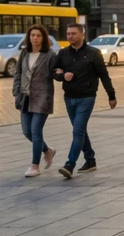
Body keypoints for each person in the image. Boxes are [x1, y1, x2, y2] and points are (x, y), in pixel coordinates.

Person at [52, 23, 116, 179]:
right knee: (79, 130)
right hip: (69, 97)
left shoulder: (93, 53)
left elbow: (103, 75)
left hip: (86, 97)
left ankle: (70, 165)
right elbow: (54, 71)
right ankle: (90, 159)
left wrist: (111, 95)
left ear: (82, 34)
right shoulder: (63, 53)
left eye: (73, 33)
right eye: (68, 34)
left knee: (78, 130)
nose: (70, 36)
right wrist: (62, 76)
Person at [13, 24, 57, 178]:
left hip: (42, 98)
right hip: (25, 97)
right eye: (32, 35)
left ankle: (34, 165)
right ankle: (47, 151)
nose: (35, 38)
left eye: (38, 35)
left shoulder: (50, 55)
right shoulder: (24, 53)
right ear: (29, 37)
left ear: (43, 38)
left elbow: (55, 73)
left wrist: (62, 73)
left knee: (36, 130)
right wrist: (16, 90)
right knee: (27, 131)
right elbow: (18, 72)